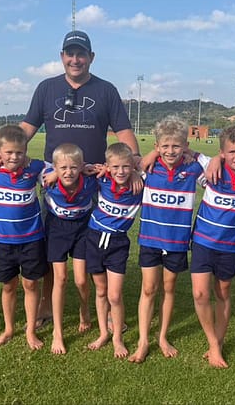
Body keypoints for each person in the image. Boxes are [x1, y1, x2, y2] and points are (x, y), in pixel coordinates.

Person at [19, 30, 141, 328]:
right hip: (56, 182)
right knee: (53, 246)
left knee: (100, 243)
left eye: (81, 54)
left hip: (95, 181)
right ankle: (46, 305)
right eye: (70, 54)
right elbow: (27, 128)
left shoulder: (106, 90)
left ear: (91, 57)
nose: (75, 60)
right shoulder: (46, 88)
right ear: (62, 56)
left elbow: (124, 131)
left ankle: (107, 308)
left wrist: (135, 163)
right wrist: (3, 151)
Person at [129, 116, 207, 364]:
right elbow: (123, 168)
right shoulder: (148, 168)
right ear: (157, 146)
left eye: (176, 146)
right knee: (148, 288)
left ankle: (162, 337)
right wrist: (144, 161)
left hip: (176, 242)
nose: (170, 151)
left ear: (185, 146)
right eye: (165, 146)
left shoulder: (193, 169)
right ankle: (143, 341)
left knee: (169, 288)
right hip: (150, 239)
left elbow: (214, 173)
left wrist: (195, 155)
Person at [190, 126, 235, 368]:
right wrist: (213, 160)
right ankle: (213, 344)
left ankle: (218, 343)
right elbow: (185, 152)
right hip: (203, 240)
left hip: (231, 245)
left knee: (222, 292)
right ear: (222, 153)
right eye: (231, 152)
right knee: (200, 294)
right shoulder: (212, 169)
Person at [0, 125, 49, 350]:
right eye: (9, 152)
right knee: (8, 286)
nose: (14, 157)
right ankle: (9, 328)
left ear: (26, 151)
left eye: (19, 152)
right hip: (3, 240)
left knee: (31, 284)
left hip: (31, 239)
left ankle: (31, 330)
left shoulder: (35, 168)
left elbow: (64, 165)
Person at [86, 143, 142, 358]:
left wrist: (136, 172)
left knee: (115, 295)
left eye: (126, 167)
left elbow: (148, 165)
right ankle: (103, 333)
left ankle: (117, 338)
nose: (121, 171)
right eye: (116, 167)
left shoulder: (139, 185)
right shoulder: (102, 179)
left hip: (118, 243)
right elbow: (79, 168)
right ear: (108, 166)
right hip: (94, 238)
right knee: (101, 291)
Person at [43, 143, 98, 354]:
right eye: (63, 168)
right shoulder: (47, 179)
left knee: (81, 280)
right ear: (55, 168)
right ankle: (57, 332)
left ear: (81, 167)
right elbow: (25, 167)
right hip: (57, 229)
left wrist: (92, 167)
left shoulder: (90, 180)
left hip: (82, 229)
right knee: (61, 278)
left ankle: (84, 309)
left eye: (74, 167)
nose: (69, 172)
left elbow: (112, 170)